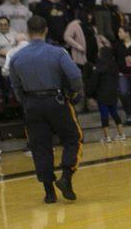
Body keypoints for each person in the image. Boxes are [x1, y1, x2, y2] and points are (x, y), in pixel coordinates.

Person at [8, 15, 84, 203]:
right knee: (73, 138)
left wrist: (25, 102)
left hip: (32, 105)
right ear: (46, 30)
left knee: (40, 147)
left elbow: (15, 85)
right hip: (56, 101)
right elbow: (75, 75)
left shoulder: (16, 57)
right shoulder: (57, 53)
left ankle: (49, 192)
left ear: (27, 32)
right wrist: (74, 92)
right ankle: (66, 176)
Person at [90, 41, 125, 143]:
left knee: (104, 114)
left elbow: (94, 81)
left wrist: (91, 93)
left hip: (102, 94)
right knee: (114, 113)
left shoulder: (99, 66)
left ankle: (107, 137)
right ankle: (121, 134)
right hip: (113, 93)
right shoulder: (114, 65)